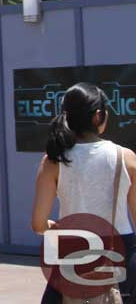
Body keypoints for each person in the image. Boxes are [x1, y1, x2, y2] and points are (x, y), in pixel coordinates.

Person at [31, 82, 136, 304]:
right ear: (99, 116)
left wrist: (52, 226)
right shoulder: (126, 158)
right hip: (121, 251)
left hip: (72, 249)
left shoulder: (53, 161)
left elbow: (38, 224)